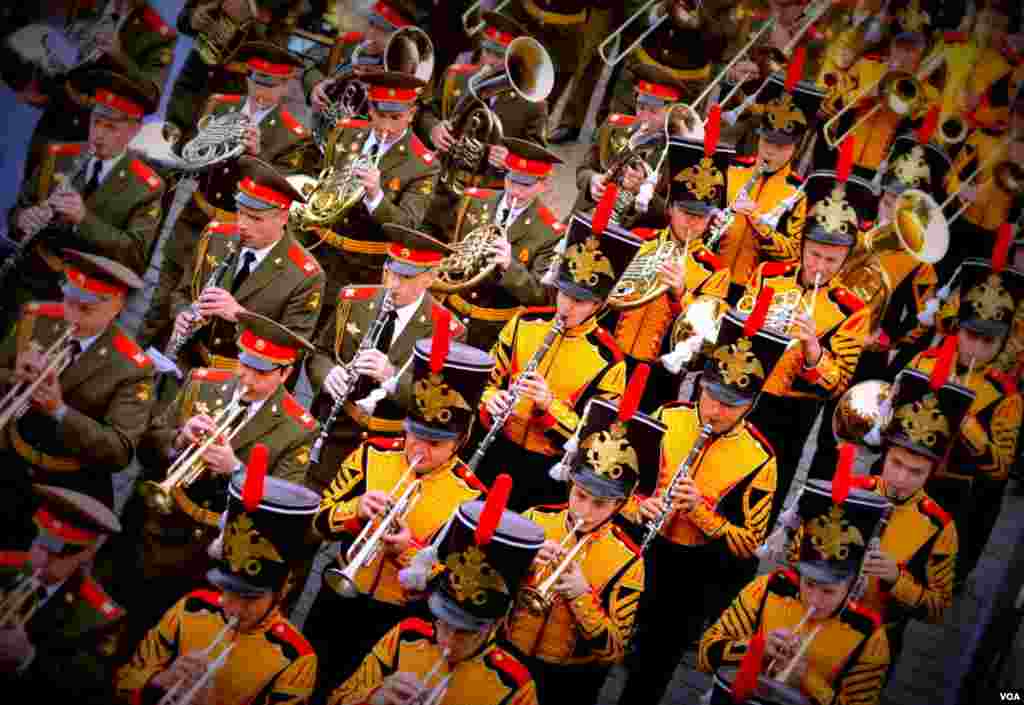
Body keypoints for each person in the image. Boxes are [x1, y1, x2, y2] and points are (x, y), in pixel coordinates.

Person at [305, 314, 493, 699]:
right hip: (337, 596)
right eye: (414, 436)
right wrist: (355, 510)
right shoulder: (372, 454)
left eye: (435, 444)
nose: (419, 451)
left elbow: (456, 588)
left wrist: (406, 553)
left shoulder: (471, 499)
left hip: (398, 622)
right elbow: (317, 524)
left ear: (460, 441)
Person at [615, 303, 789, 705]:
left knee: (653, 669)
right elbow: (619, 488)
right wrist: (639, 508)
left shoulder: (761, 458)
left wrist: (701, 515)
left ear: (752, 403)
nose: (714, 411)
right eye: (710, 396)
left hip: (691, 574)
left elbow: (751, 545)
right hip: (638, 552)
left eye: (730, 404)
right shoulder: (668, 417)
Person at [119, 312, 318, 650]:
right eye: (244, 364)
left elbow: (282, 507)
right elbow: (147, 447)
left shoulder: (299, 428)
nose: (245, 377)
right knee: (134, 626)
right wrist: (180, 438)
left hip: (222, 550)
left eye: (260, 372)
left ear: (285, 373)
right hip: (164, 531)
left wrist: (237, 471)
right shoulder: (202, 382)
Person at [140, 41, 315, 351]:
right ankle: (141, 369)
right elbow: (193, 152)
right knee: (161, 301)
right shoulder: (220, 104)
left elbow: (281, 193)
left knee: (203, 312)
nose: (260, 90)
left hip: (234, 235)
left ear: (286, 85)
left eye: (271, 84)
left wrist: (258, 157)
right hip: (195, 218)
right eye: (255, 80)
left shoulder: (293, 136)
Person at [504, 370, 659, 704]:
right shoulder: (536, 518)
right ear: (570, 483)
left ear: (620, 504)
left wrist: (581, 597)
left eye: (600, 503)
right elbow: (495, 587)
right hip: (510, 655)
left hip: (568, 678)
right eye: (580, 495)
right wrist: (522, 561)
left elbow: (613, 650)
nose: (585, 511)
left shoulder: (629, 560)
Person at [115, 454, 319, 705]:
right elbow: (124, 680)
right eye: (227, 589)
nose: (231, 606)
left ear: (282, 592)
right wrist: (159, 681)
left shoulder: (295, 659)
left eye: (248, 597)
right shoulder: (192, 608)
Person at [475, 210, 637, 511]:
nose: (567, 306)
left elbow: (594, 441)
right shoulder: (525, 322)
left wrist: (549, 404)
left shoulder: (608, 360)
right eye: (564, 294)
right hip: (494, 448)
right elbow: (485, 380)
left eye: (580, 301)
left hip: (545, 471)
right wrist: (491, 397)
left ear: (598, 305)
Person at [739, 164, 875, 518]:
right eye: (814, 254)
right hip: (743, 388)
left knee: (765, 497)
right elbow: (737, 323)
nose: (820, 266)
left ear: (846, 259)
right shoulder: (769, 275)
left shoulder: (852, 311)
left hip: (790, 412)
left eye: (832, 260)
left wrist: (814, 350)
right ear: (801, 247)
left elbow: (838, 385)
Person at [327, 483, 544, 705]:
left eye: (465, 632)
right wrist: (376, 697)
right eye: (445, 622)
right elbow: (336, 698)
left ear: (495, 624)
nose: (448, 640)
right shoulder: (406, 636)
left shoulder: (514, 685)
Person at [0, 250, 153, 546]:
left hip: (66, 483)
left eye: (85, 309)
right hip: (11, 457)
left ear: (116, 307)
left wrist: (59, 410)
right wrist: (14, 377)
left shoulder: (132, 367)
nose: (71, 315)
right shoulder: (38, 317)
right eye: (68, 301)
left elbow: (119, 451)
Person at [698, 476, 891, 705]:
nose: (814, 600)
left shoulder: (869, 635)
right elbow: (705, 655)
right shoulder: (767, 589)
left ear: (854, 584)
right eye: (809, 584)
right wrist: (757, 649)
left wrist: (807, 680)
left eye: (828, 591)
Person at [304, 225, 457, 493]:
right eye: (390, 273)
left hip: (391, 447)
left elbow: (441, 406)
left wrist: (392, 377)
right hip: (335, 431)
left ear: (429, 278)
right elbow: (319, 353)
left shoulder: (446, 329)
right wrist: (328, 374)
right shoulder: (354, 299)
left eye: (406, 277)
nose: (393, 285)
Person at [7, 70, 164, 325]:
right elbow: (17, 210)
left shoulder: (147, 187)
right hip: (27, 275)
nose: (98, 135)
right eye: (96, 122)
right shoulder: (61, 155)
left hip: (82, 299)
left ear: (134, 130)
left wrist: (84, 219)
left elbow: (134, 254)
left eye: (111, 127)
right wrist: (23, 218)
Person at [910, 252, 1024, 589]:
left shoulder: (1006, 398)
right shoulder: (925, 361)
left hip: (951, 493)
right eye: (970, 335)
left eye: (987, 340)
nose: (975, 346)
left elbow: (1000, 467)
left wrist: (969, 427)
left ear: (1003, 341)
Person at [604, 131, 733, 410]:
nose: (692, 223)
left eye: (701, 217)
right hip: (608, 356)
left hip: (659, 374)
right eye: (686, 213)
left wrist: (682, 294)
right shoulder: (638, 239)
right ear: (671, 209)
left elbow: (708, 341)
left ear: (711, 219)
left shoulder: (715, 271)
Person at [852, 365, 973, 662]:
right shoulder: (852, 491)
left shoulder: (940, 527)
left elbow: (938, 609)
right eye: (896, 464)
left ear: (933, 471)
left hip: (876, 644)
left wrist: (896, 580)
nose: (901, 480)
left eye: (916, 472)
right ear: (886, 454)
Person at [303, 70, 439, 326]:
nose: (386, 126)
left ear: (411, 115)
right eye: (379, 115)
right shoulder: (345, 132)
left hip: (366, 269)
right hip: (320, 253)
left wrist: (376, 196)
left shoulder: (423, 165)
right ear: (370, 109)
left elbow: (407, 227)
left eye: (396, 117)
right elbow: (320, 181)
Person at [168, 157, 324, 378]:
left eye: (255, 218)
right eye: (240, 212)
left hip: (246, 382)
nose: (242, 224)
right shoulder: (216, 235)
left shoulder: (306, 275)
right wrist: (183, 313)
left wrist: (241, 317)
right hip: (189, 366)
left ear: (282, 218)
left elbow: (292, 350)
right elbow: (182, 292)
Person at [5, 0, 177, 180]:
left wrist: (120, 57)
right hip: (55, 122)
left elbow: (152, 96)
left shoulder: (158, 33)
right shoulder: (89, 5)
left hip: (99, 134)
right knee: (32, 195)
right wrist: (34, 86)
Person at [0, 484, 124, 703]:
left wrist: (27, 658)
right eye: (40, 544)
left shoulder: (99, 618)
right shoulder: (4, 564)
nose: (41, 560)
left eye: (58, 553)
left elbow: (81, 691)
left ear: (87, 554)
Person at [711, 63, 824, 300]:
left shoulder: (798, 192)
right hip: (709, 275)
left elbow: (793, 254)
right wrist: (717, 219)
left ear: (795, 147)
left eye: (781, 146)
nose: (770, 152)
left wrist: (756, 219)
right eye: (767, 142)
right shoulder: (733, 170)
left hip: (750, 293)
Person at [440, 139, 565, 351]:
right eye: (512, 180)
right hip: (450, 313)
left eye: (526, 185)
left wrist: (510, 265)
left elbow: (542, 296)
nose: (516, 191)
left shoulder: (550, 232)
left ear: (544, 184)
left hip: (493, 329)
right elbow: (445, 243)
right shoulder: (473, 200)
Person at [817, 12, 939, 179]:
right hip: (843, 148)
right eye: (900, 53)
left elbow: (919, 128)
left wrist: (908, 102)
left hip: (882, 166)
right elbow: (838, 100)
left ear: (919, 59)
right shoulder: (867, 66)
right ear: (891, 52)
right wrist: (867, 93)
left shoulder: (926, 91)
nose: (903, 61)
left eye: (911, 56)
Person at [574, 64, 692, 231]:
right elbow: (583, 169)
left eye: (653, 111)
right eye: (640, 106)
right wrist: (592, 180)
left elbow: (670, 217)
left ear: (671, 112)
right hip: (586, 217)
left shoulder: (679, 153)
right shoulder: (613, 126)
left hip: (628, 235)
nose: (643, 116)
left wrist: (641, 190)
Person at [166, 0, 304, 141]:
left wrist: (253, 15)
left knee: (214, 147)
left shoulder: (285, 12)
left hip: (233, 91)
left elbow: (275, 52)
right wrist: (193, 18)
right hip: (192, 82)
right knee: (175, 143)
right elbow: (184, 19)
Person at [419, 11, 548, 157]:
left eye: (499, 56)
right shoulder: (455, 76)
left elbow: (538, 156)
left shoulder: (533, 103)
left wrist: (510, 159)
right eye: (487, 51)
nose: (490, 61)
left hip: (494, 178)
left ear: (517, 60)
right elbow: (425, 113)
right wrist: (433, 129)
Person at [605, 0, 739, 119]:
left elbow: (724, 50)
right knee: (615, 135)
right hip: (637, 76)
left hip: (686, 89)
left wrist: (704, 24)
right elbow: (627, 11)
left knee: (670, 140)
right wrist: (659, 11)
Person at [941, 90, 1024, 279]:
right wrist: (961, 189)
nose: (1021, 125)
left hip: (993, 236)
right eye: (1019, 115)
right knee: (941, 274)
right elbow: (950, 178)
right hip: (961, 221)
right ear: (1011, 114)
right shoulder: (984, 136)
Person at [304, 0, 418, 112]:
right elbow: (309, 63)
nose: (370, 33)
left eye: (382, 30)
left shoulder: (405, 76)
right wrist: (316, 86)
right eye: (371, 23)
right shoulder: (353, 47)